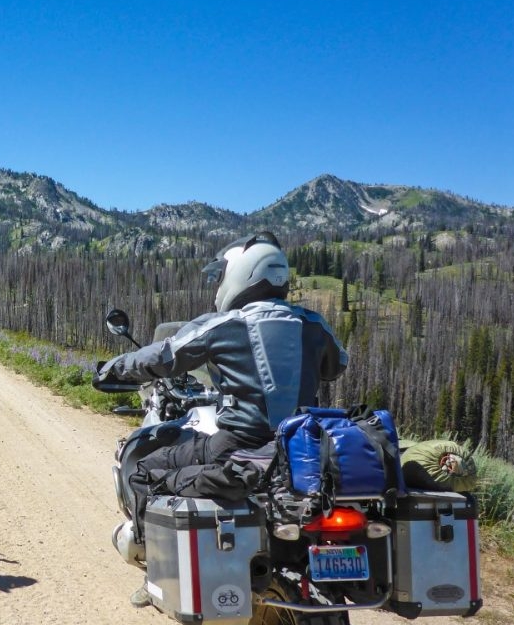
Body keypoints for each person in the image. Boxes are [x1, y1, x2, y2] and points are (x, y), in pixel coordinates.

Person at [95, 231, 347, 603]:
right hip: (300, 453)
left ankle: (158, 573)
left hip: (236, 446)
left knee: (144, 470)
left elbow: (163, 356)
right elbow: (336, 366)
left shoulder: (225, 324)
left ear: (240, 274)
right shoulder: (314, 325)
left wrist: (111, 369)